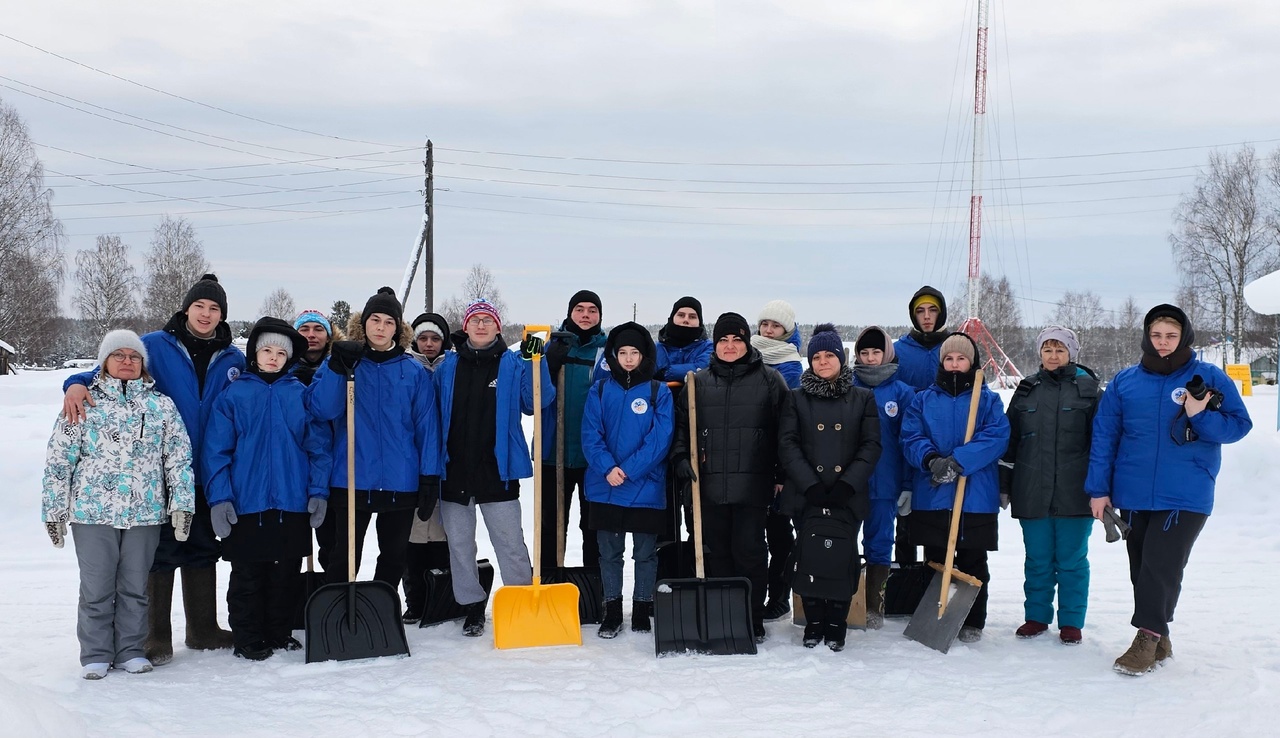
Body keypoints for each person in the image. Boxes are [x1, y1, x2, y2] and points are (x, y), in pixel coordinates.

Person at [61, 274, 243, 664]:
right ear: (186, 308)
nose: (206, 314)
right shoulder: (156, 345)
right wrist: (75, 383)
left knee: (203, 547)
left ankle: (203, 629)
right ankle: (154, 636)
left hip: (209, 469)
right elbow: (113, 367)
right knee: (158, 552)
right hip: (156, 472)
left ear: (222, 315)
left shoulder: (232, 356)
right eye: (200, 306)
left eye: (214, 309)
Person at [1085, 304, 1251, 675]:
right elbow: (1105, 437)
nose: (1162, 343)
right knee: (1141, 567)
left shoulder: (1207, 377)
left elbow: (1239, 426)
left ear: (1184, 337)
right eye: (1156, 336)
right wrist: (1098, 489)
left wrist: (1200, 415)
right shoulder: (1125, 382)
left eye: (1171, 336)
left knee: (1161, 565)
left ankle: (1145, 640)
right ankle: (1159, 633)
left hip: (1186, 491)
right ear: (1147, 336)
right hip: (1133, 491)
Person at [41, 330, 196, 679]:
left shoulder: (161, 406)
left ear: (143, 363)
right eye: (119, 355)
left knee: (135, 586)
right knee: (97, 587)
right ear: (105, 361)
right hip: (92, 512)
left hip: (144, 513)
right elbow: (59, 460)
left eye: (134, 356)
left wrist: (182, 504)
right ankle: (95, 653)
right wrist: (53, 511)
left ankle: (130, 650)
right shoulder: (81, 401)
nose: (127, 362)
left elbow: (178, 458)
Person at [303, 287, 441, 604]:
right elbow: (322, 410)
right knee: (342, 557)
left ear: (398, 328)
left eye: (388, 322)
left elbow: (427, 428)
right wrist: (338, 369)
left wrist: (429, 476)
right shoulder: (343, 363)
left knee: (394, 556)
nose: (380, 327)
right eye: (374, 320)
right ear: (363, 324)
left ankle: (379, 611)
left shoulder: (414, 372)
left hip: (400, 479)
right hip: (350, 478)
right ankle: (338, 611)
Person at [204, 318, 331, 660]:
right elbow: (216, 451)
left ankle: (278, 631)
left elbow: (318, 447)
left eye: (280, 352)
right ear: (254, 354)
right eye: (266, 351)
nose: (273, 358)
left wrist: (318, 491)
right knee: (248, 574)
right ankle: (247, 636)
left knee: (285, 573)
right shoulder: (234, 395)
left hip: (291, 501)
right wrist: (219, 497)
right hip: (247, 503)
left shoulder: (300, 395)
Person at [435, 299, 553, 636]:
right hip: (454, 469)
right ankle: (472, 606)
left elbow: (536, 403)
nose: (482, 325)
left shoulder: (513, 364)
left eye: (489, 320)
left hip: (496, 470)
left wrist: (537, 361)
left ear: (499, 328)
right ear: (466, 326)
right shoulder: (447, 367)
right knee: (459, 545)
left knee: (510, 542)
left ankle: (519, 601)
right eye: (476, 320)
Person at [671, 312, 790, 642]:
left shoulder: (770, 381)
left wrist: (781, 473)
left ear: (747, 343)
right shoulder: (698, 383)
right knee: (716, 552)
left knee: (749, 552)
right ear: (715, 344)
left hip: (752, 486)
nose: (730, 345)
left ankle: (752, 617)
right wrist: (681, 457)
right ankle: (724, 613)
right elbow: (682, 428)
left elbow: (785, 433)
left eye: (737, 339)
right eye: (723, 339)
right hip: (707, 486)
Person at [900, 332, 1009, 644]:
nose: (955, 364)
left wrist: (959, 461)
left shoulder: (987, 400)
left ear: (971, 361)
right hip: (934, 493)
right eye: (949, 358)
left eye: (961, 358)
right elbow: (910, 436)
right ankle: (936, 612)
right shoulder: (923, 400)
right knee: (935, 557)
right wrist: (933, 460)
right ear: (941, 362)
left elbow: (997, 437)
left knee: (973, 558)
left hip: (974, 495)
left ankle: (973, 619)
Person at [778, 323, 881, 651]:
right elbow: (788, 444)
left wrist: (847, 485)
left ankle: (837, 622)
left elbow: (871, 446)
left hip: (846, 496)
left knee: (841, 557)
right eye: (817, 356)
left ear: (840, 358)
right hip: (807, 494)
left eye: (829, 355)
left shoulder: (863, 398)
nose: (823, 361)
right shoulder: (796, 398)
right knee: (810, 557)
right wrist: (810, 485)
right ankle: (814, 622)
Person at [1000, 326, 1100, 646]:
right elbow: (1010, 441)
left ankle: (1071, 621)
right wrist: (1004, 485)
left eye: (1060, 350)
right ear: (1040, 353)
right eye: (1047, 350)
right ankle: (1036, 616)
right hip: (1031, 488)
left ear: (1072, 352)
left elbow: (1104, 445)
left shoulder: (1090, 391)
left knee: (1071, 560)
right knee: (1038, 559)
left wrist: (1103, 488)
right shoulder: (1026, 390)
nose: (1053, 356)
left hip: (1076, 490)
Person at [581, 322, 674, 638]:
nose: (629, 358)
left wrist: (629, 470)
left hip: (645, 485)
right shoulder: (600, 390)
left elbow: (660, 439)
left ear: (645, 355)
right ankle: (612, 610)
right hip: (606, 484)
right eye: (623, 352)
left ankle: (642, 608)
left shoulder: (658, 392)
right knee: (609, 552)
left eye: (635, 352)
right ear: (614, 355)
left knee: (645, 553)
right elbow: (590, 434)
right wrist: (608, 467)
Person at [850, 326, 916, 629]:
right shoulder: (846, 386)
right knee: (844, 541)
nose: (870, 358)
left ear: (887, 354)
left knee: (879, 542)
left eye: (876, 352)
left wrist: (906, 485)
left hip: (885, 483)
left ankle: (874, 604)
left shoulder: (902, 393)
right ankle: (847, 600)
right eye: (864, 352)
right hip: (850, 482)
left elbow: (908, 442)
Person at [540, 290, 608, 577]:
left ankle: (595, 586)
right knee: (550, 525)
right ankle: (548, 580)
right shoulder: (546, 345)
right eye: (579, 309)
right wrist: (548, 366)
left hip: (593, 455)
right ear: (569, 313)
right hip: (552, 450)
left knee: (593, 526)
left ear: (600, 316)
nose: (585, 315)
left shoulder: (608, 350)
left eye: (592, 310)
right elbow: (527, 391)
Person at [750, 299, 803, 620]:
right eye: (765, 324)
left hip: (779, 460)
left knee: (780, 534)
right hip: (750, 460)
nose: (768, 331)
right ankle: (753, 595)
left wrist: (782, 470)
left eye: (776, 326)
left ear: (787, 331)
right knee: (752, 536)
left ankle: (779, 594)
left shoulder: (791, 365)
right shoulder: (747, 355)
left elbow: (788, 419)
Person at [402, 311, 453, 624]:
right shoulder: (407, 368)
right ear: (414, 340)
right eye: (423, 338)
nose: (430, 344)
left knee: (446, 534)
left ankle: (444, 598)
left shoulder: (452, 367)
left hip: (448, 465)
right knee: (414, 535)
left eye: (435, 338)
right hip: (412, 464)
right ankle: (416, 600)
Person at [892, 286, 949, 566]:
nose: (927, 317)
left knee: (938, 523)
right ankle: (904, 581)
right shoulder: (900, 350)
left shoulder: (952, 348)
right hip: (908, 443)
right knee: (905, 520)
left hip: (945, 445)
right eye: (920, 311)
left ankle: (934, 584)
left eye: (933, 310)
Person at [655, 296, 712, 382]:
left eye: (692, 317)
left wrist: (665, 373)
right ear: (672, 318)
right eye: (681, 315)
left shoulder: (709, 348)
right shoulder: (655, 348)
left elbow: (702, 368)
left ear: (699, 322)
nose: (686, 320)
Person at [292, 309, 340, 386]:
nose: (311, 335)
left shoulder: (340, 367)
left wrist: (316, 378)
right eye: (304, 330)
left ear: (328, 337)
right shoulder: (282, 366)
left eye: (318, 329)